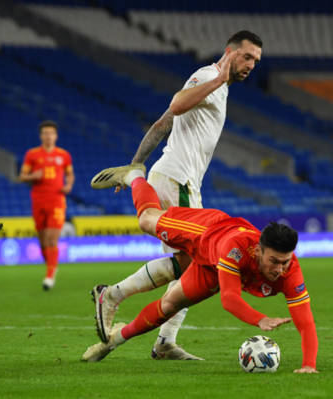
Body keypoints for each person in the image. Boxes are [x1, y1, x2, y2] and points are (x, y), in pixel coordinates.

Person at [88, 30, 263, 360]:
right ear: (230, 52)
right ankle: (113, 296)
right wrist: (217, 80)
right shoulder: (210, 76)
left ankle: (164, 339)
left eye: (256, 60)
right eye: (247, 56)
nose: (251, 65)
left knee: (189, 266)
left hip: (172, 178)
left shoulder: (215, 85)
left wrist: (135, 164)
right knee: (201, 263)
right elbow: (177, 104)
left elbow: (162, 123)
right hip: (178, 181)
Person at [82, 164, 318, 373]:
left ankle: (112, 342)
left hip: (213, 266)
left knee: (169, 306)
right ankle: (134, 175)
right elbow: (229, 298)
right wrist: (260, 320)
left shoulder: (290, 270)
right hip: (205, 232)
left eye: (285, 261)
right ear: (258, 251)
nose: (280, 268)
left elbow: (305, 322)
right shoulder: (235, 249)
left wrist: (309, 365)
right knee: (146, 220)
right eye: (274, 261)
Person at [19, 120, 74, 290]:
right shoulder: (32, 154)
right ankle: (51, 266)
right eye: (45, 133)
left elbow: (70, 175)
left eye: (51, 133)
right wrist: (33, 175)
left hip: (57, 201)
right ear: (41, 136)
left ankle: (50, 274)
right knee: (43, 241)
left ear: (56, 136)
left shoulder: (63, 155)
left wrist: (68, 185)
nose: (48, 136)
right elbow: (22, 176)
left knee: (51, 238)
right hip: (38, 200)